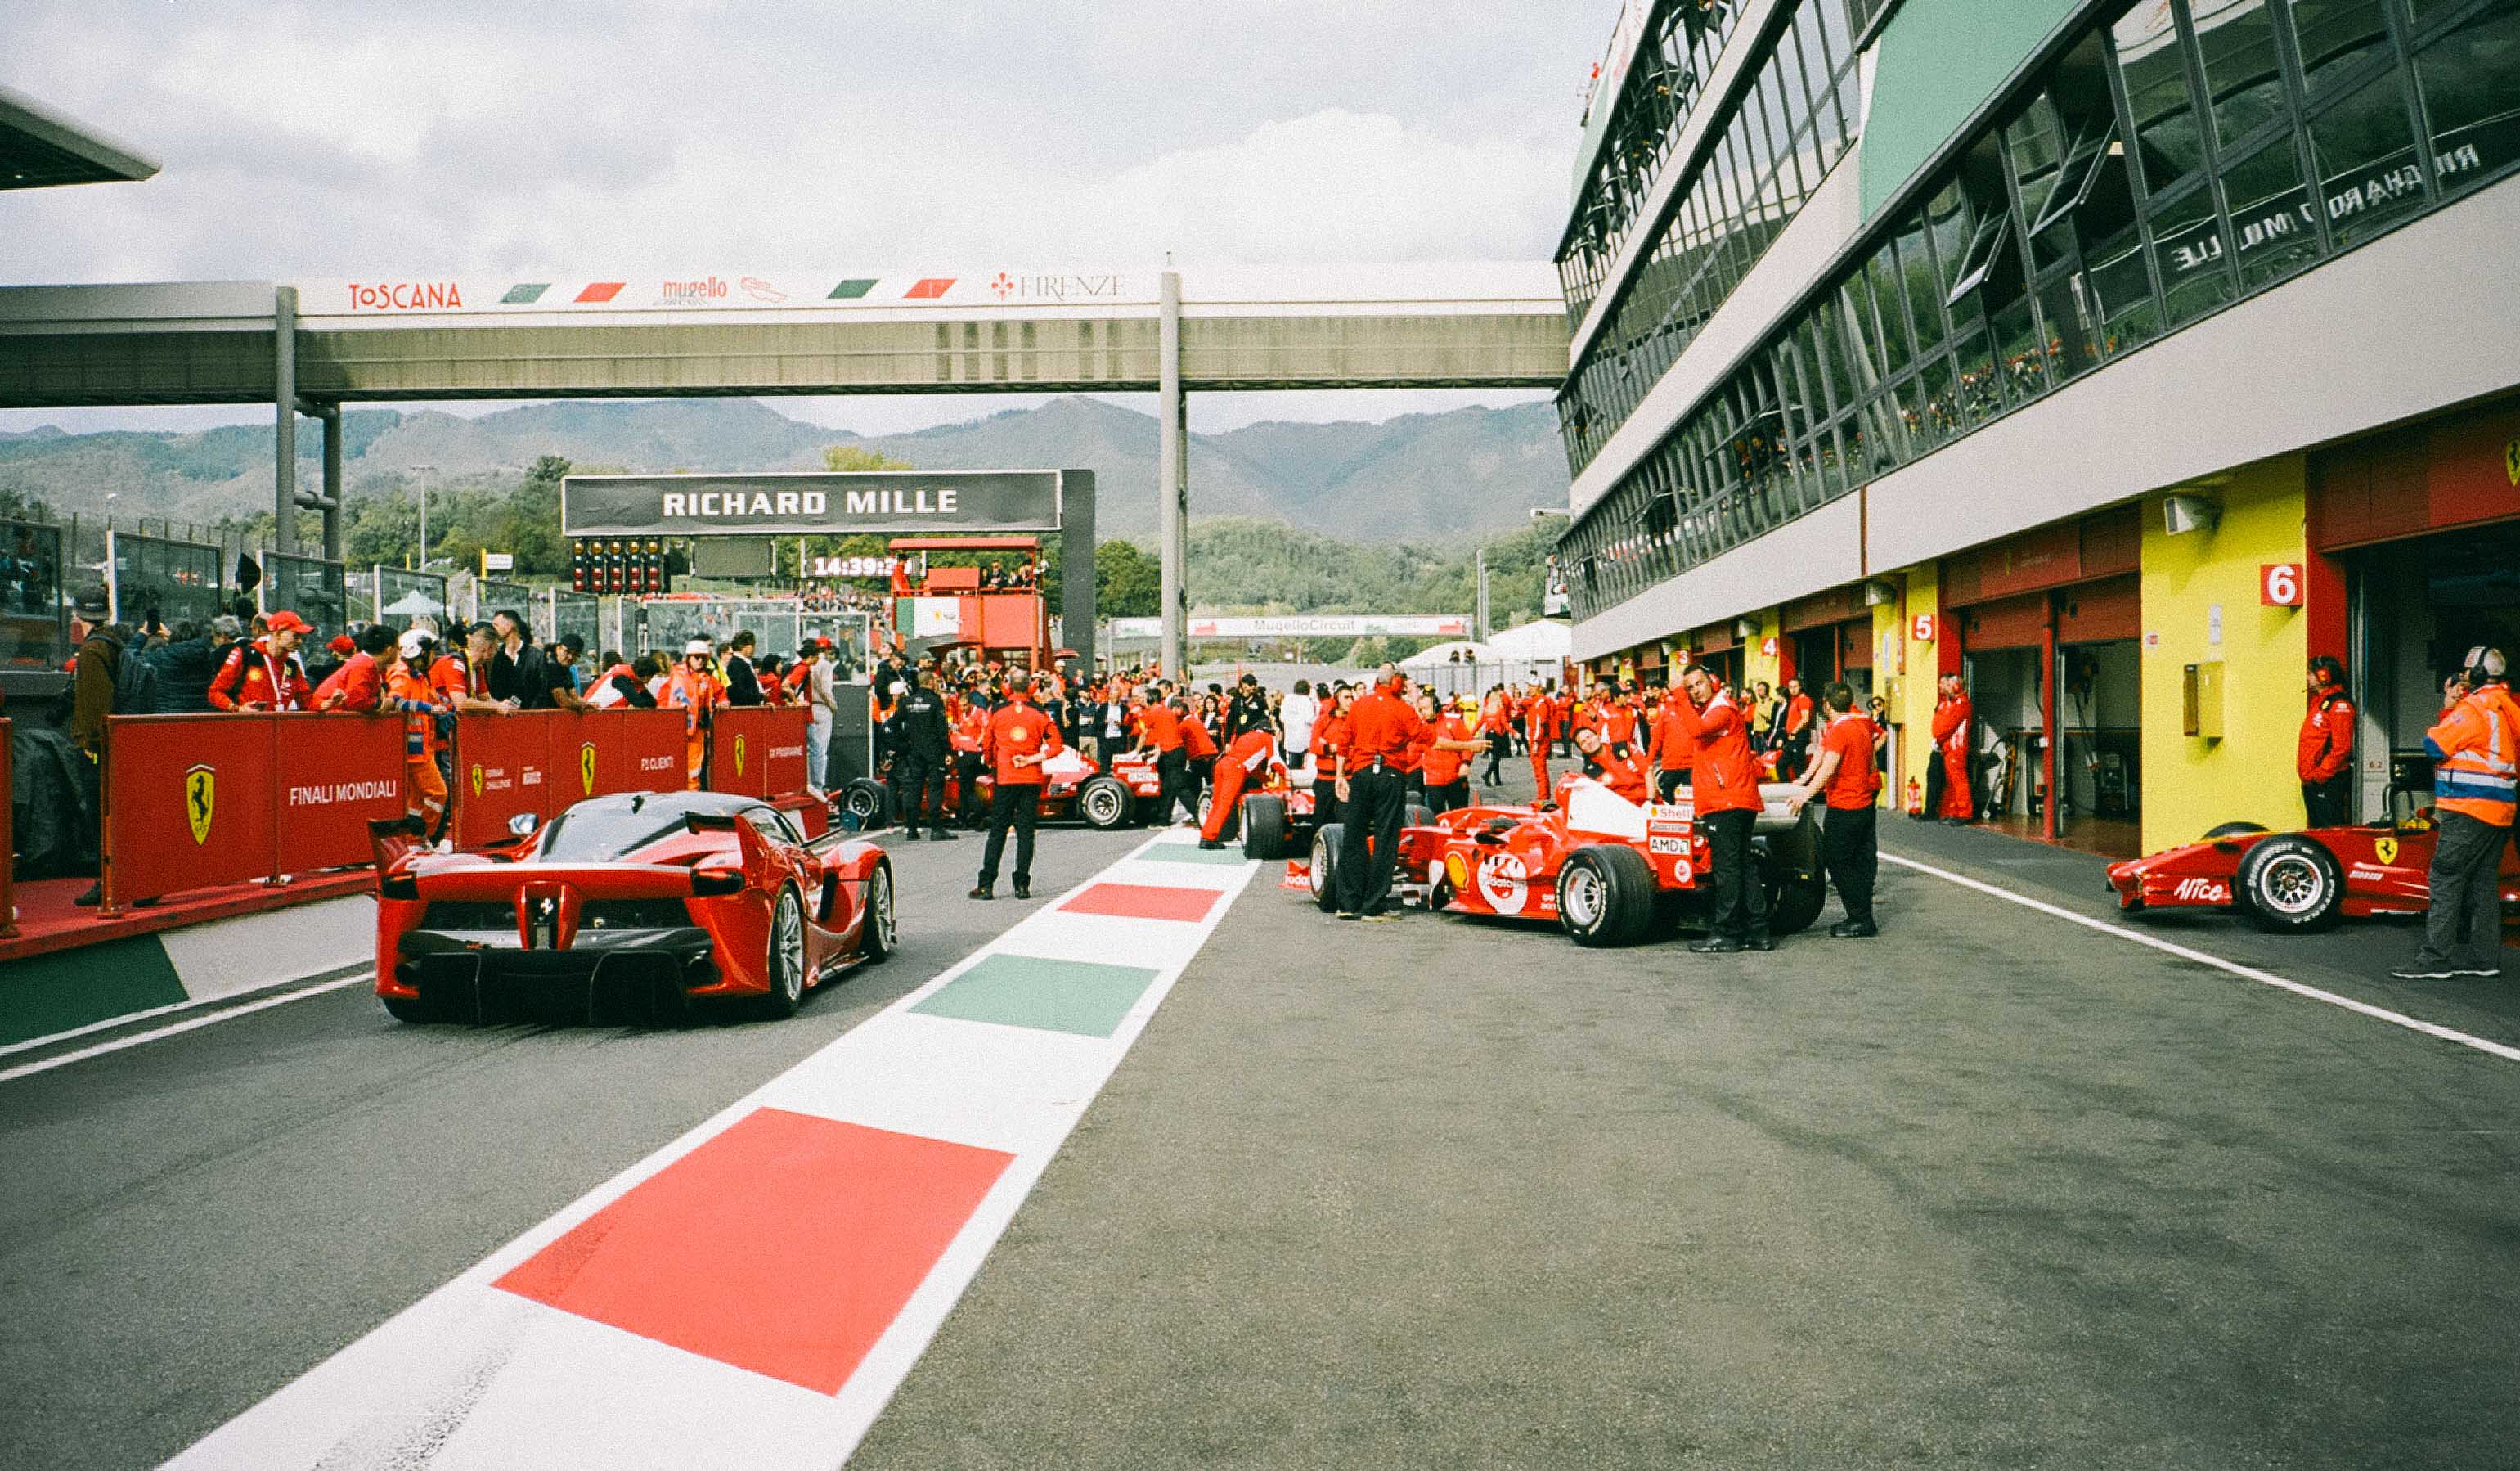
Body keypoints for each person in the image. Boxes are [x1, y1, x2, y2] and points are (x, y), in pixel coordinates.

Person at [2393, 648, 2520, 980]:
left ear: (2478, 675)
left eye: (2466, 671)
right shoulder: (2507, 706)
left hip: (2469, 808)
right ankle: (2484, 960)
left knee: (2446, 878)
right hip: (2500, 808)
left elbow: (2434, 746)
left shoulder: (2474, 708)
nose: (2461, 677)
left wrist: (2448, 707)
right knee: (2481, 881)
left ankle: (2436, 959)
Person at [1669, 663, 1768, 952]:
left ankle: (1727, 933)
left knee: (1727, 870)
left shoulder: (1721, 708)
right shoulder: (1720, 706)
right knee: (1743, 867)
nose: (1694, 691)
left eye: (1698, 684)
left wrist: (1678, 694)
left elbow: (1696, 729)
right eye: (1689, 688)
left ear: (1710, 681)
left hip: (1726, 799)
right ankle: (1758, 931)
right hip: (1735, 797)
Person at [1785, 682, 1882, 938]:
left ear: (1827, 704)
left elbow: (1828, 766)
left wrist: (1805, 793)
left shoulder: (1840, 731)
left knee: (1836, 860)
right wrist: (1805, 778)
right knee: (1859, 861)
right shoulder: (1859, 725)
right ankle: (1863, 915)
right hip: (1863, 804)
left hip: (1844, 806)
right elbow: (1826, 754)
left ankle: (1860, 917)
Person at [1335, 667, 1426, 921]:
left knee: (1353, 835)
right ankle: (1373, 905)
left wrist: (1341, 776)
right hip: (1390, 775)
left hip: (1361, 774)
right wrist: (1466, 745)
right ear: (1397, 683)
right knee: (1386, 838)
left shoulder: (1359, 705)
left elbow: (1344, 742)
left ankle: (1348, 903)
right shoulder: (1403, 709)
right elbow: (1428, 738)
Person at [973, 674, 1062, 900]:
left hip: (1005, 778)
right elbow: (1056, 746)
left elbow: (987, 744)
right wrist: (1031, 759)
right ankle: (1022, 885)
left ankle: (986, 885)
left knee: (998, 832)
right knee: (1025, 833)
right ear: (1031, 687)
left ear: (1007, 687)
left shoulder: (997, 711)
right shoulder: (1040, 713)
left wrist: (992, 761)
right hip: (1031, 779)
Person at [384, 630, 450, 837]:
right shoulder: (401, 674)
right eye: (431, 653)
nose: (433, 658)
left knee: (416, 801)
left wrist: (449, 705)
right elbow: (395, 702)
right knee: (438, 794)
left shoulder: (418, 676)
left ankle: (412, 841)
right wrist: (429, 709)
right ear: (420, 653)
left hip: (420, 748)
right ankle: (422, 838)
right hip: (413, 750)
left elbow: (433, 698)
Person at [888, 666, 955, 841]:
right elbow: (942, 729)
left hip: (914, 751)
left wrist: (903, 743)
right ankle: (936, 829)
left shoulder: (908, 702)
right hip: (933, 751)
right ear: (930, 682)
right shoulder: (935, 701)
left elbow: (892, 724)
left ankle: (911, 829)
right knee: (935, 787)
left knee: (914, 789)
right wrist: (947, 750)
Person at [207, 610, 315, 711]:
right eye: (296, 636)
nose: (300, 641)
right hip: (249, 726)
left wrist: (326, 703)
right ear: (277, 633)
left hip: (278, 727)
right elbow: (215, 692)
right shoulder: (245, 655)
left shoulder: (291, 665)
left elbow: (307, 702)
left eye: (301, 637)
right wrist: (237, 708)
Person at [1200, 718, 1279, 850]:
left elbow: (1253, 768)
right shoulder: (1268, 738)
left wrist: (1266, 780)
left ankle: (1206, 835)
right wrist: (1287, 776)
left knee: (1217, 802)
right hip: (1235, 769)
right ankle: (1210, 838)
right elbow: (1275, 762)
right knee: (1226, 805)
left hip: (1222, 764)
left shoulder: (1246, 736)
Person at [2299, 655, 2356, 827]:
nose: (2307, 678)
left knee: (2331, 831)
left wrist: (2320, 775)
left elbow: (2342, 748)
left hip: (2327, 782)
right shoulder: (2321, 703)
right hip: (2315, 783)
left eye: (2310, 673)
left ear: (2324, 676)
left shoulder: (2339, 705)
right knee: (2318, 833)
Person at [665, 639, 723, 789]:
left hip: (698, 729)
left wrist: (724, 702)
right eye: (696, 657)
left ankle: (693, 794)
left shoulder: (708, 678)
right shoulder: (677, 676)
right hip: (677, 727)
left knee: (695, 767)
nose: (700, 661)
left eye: (703, 658)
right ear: (688, 658)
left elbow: (721, 692)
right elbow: (664, 697)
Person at [1417, 689, 1481, 814]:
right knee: (1436, 816)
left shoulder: (1453, 722)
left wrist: (1466, 763)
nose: (1422, 712)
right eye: (1420, 709)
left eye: (1425, 708)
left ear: (1436, 707)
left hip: (1455, 776)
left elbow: (1468, 743)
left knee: (1459, 814)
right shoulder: (1420, 727)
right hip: (1433, 779)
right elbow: (1413, 752)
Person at [1134, 687, 1188, 825]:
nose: (1144, 700)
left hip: (1172, 753)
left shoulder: (1153, 712)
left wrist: (1135, 752)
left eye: (1145, 697)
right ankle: (1163, 819)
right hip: (1174, 752)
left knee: (1179, 788)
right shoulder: (1166, 711)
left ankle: (1199, 814)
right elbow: (1163, 736)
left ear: (1151, 698)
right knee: (1167, 788)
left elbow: (1144, 734)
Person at [314, 623, 393, 711]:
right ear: (388, 650)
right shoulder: (362, 664)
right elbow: (356, 702)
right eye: (397, 647)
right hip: (328, 714)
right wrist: (386, 703)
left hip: (333, 713)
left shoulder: (366, 663)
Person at [1930, 673, 1975, 823]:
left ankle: (1964, 813)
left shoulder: (1961, 704)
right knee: (1952, 781)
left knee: (1959, 781)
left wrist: (1938, 737)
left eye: (1949, 685)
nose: (1946, 688)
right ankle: (1954, 811)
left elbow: (1948, 725)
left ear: (1956, 687)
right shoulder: (1954, 703)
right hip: (1949, 747)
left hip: (1957, 747)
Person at [1648, 680, 1699, 801]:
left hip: (1692, 765)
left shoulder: (1696, 711)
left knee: (1691, 803)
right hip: (1670, 765)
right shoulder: (1666, 712)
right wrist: (1649, 761)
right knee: (1668, 800)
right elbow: (1656, 739)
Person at [1572, 725, 1650, 803]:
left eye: (1589, 737)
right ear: (1582, 750)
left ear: (1598, 736)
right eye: (1583, 742)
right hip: (1625, 809)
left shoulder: (1624, 747)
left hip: (1649, 800)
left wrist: (1651, 801)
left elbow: (1647, 772)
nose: (1588, 742)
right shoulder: (1589, 774)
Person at [1282, 679, 1318, 763]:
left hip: (1290, 739)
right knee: (1305, 767)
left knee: (1292, 768)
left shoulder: (1287, 699)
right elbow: (1310, 719)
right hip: (1304, 740)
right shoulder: (1306, 701)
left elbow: (1282, 717)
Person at [722, 631, 763, 706]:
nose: (754, 649)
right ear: (748, 647)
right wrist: (760, 697)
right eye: (753, 645)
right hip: (743, 713)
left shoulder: (739, 663)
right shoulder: (737, 665)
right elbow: (738, 693)